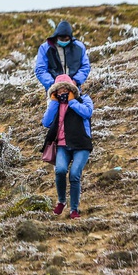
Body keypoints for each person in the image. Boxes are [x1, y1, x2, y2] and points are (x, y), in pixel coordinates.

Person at [40, 74, 93, 219]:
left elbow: (87, 113)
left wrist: (72, 102)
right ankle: (62, 201)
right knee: (60, 170)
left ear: (72, 90)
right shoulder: (55, 104)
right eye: (59, 90)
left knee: (75, 175)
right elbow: (46, 122)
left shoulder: (84, 99)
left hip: (81, 145)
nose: (62, 92)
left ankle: (74, 209)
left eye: (66, 89)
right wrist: (54, 103)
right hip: (62, 145)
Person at [34, 20, 90, 92]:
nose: (64, 41)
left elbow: (85, 66)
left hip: (74, 89)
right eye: (61, 39)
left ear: (70, 37)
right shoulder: (45, 48)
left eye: (66, 39)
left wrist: (75, 81)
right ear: (56, 36)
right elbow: (40, 69)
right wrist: (53, 85)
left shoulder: (79, 47)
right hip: (53, 90)